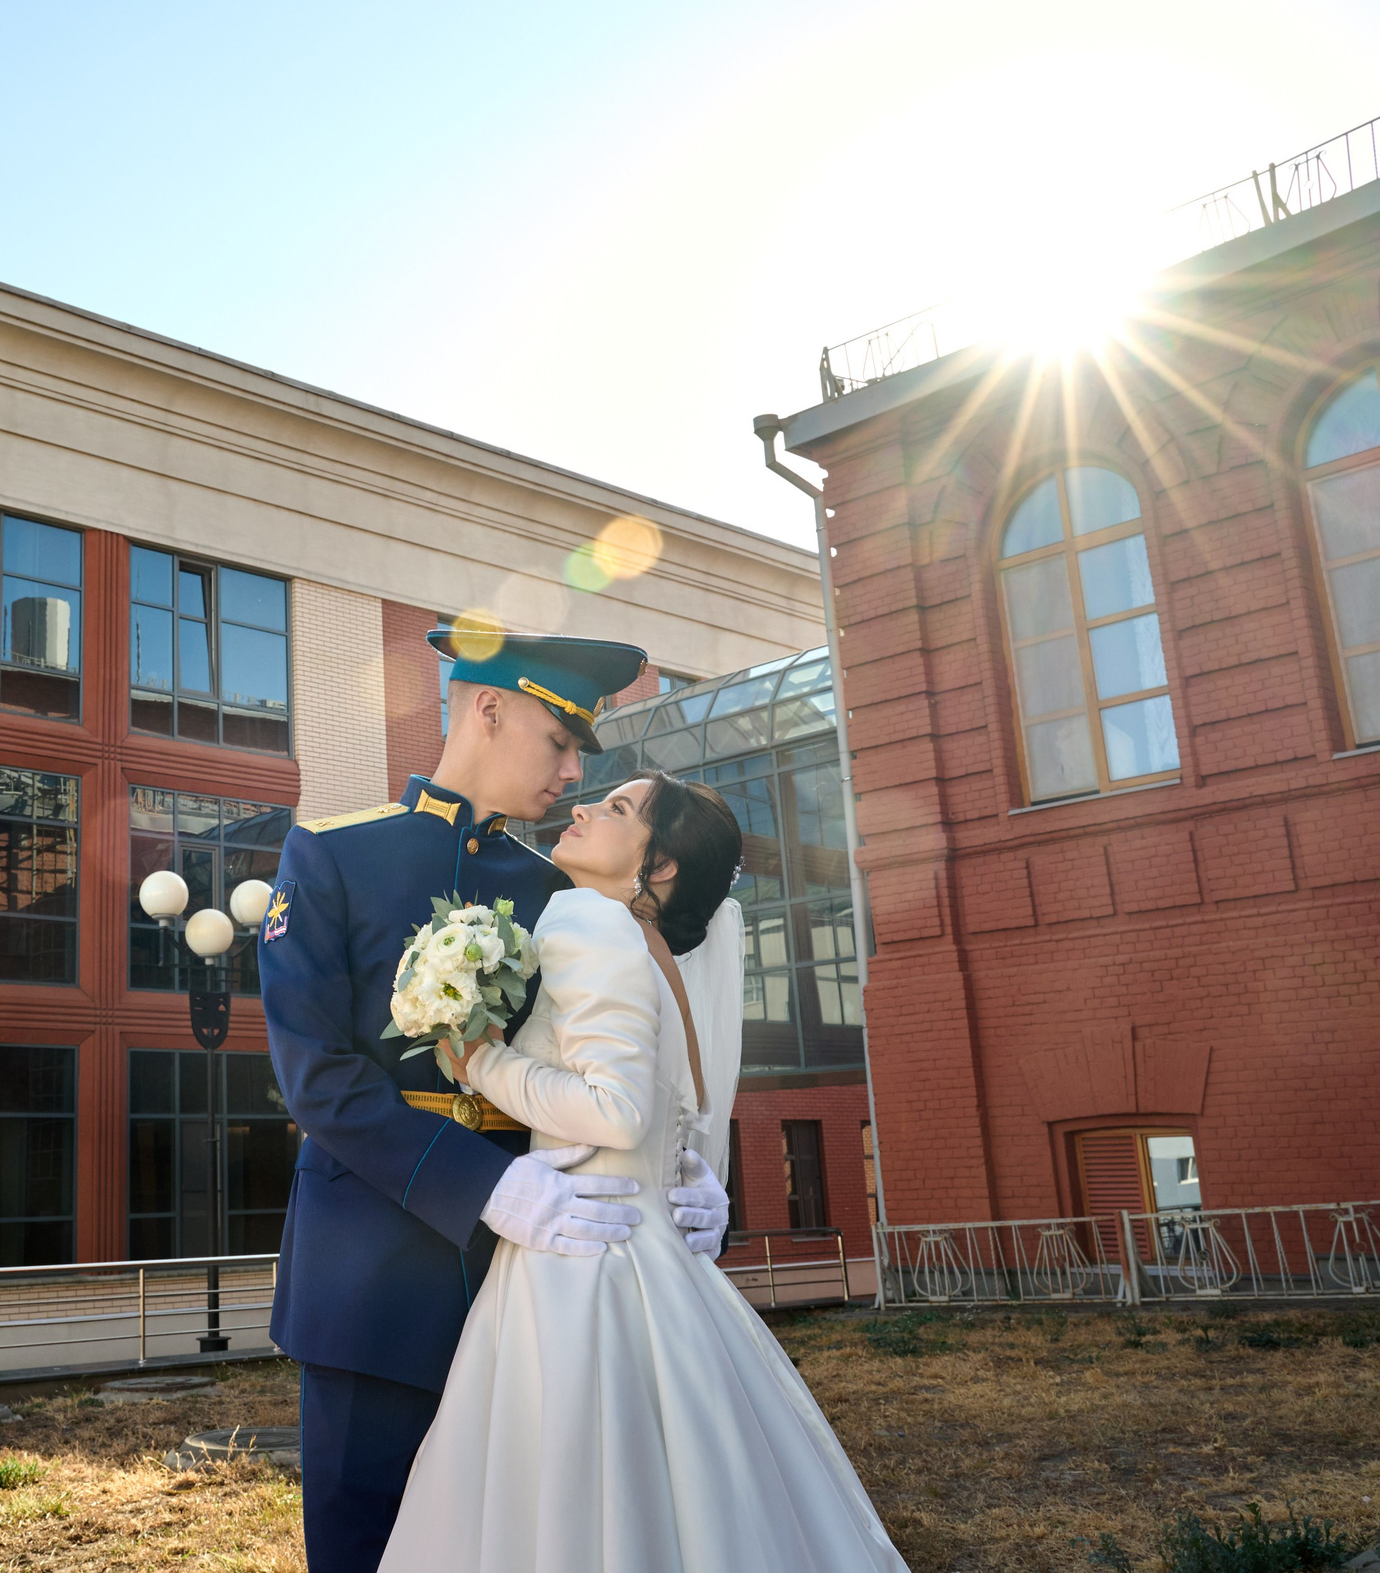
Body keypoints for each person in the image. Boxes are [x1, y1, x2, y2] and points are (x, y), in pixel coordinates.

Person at [261, 629, 736, 1573]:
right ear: (489, 708)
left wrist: (695, 1175)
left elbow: (637, 1056)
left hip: (544, 1287)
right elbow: (318, 1076)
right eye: (560, 743)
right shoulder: (332, 852)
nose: (571, 772)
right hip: (373, 1281)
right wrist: (484, 1187)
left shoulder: (562, 888)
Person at [378, 771, 910, 1573]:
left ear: (657, 868)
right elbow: (675, 1115)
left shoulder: (586, 918)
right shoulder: (654, 949)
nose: (583, 805)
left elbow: (616, 1109)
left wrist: (481, 1061)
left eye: (619, 808)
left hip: (584, 1265)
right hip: (649, 1251)